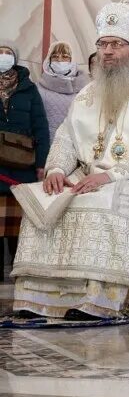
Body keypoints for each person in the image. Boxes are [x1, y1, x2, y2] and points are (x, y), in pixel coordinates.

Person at [10, 2, 129, 319]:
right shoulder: (87, 94)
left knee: (107, 203)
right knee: (41, 200)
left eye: (116, 44)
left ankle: (100, 300)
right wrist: (57, 169)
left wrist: (109, 177)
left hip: (128, 181)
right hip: (82, 177)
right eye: (102, 44)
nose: (107, 51)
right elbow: (66, 136)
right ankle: (39, 298)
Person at [0, 42, 50, 274]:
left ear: (16, 58)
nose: (3, 57)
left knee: (21, 224)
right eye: (0, 53)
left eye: (8, 53)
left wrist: (42, 163)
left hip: (23, 166)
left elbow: (41, 126)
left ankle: (21, 270)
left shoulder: (29, 88)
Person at [37, 41, 88, 140]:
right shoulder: (38, 87)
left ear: (72, 60)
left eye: (65, 57)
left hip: (74, 143)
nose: (59, 60)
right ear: (49, 60)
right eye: (55, 57)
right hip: (45, 142)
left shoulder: (85, 88)